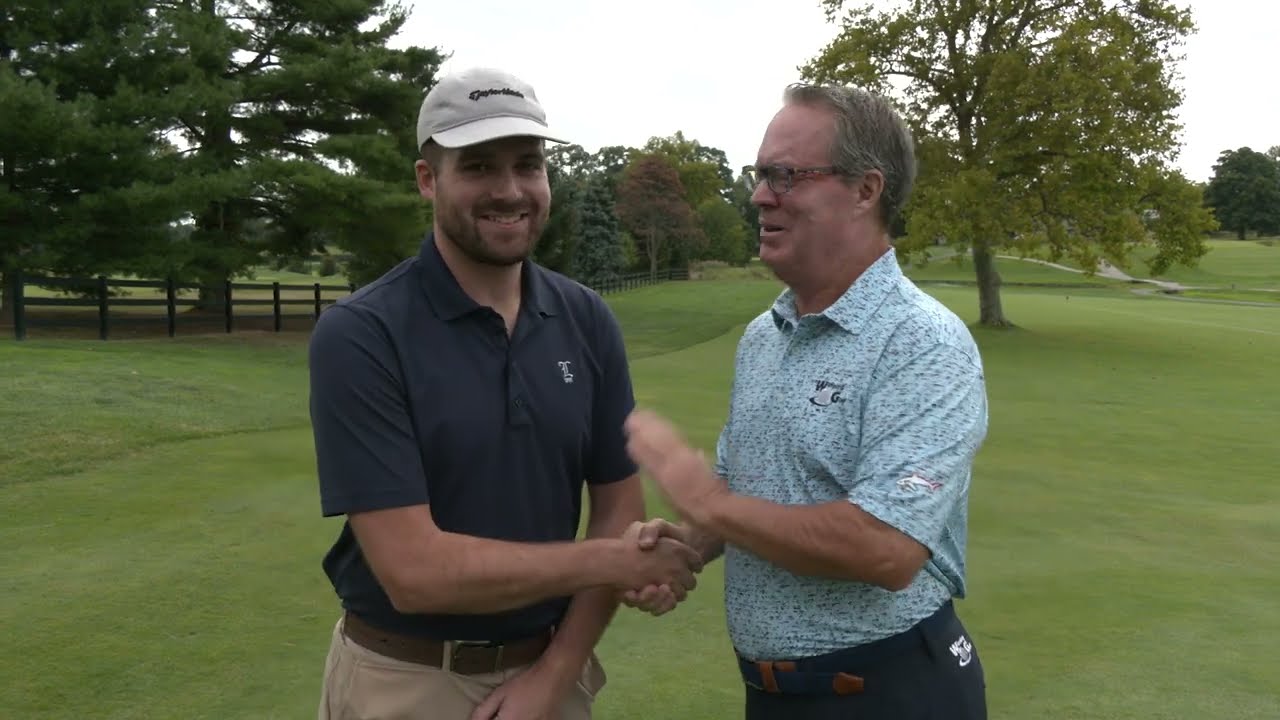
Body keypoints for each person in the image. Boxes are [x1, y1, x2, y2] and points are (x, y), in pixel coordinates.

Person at [307, 66, 702, 720]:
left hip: (552, 675)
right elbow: (414, 572)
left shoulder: (586, 320)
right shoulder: (362, 334)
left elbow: (616, 509)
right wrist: (616, 562)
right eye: (480, 168)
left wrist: (556, 675)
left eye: (529, 164)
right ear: (428, 179)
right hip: (403, 684)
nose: (511, 190)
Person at [622, 83, 990, 719]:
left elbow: (885, 547)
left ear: (865, 190)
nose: (762, 195)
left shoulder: (923, 343)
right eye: (761, 174)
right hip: (773, 698)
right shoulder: (766, 336)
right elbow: (748, 488)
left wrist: (707, 501)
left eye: (787, 175)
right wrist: (688, 542)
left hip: (889, 693)